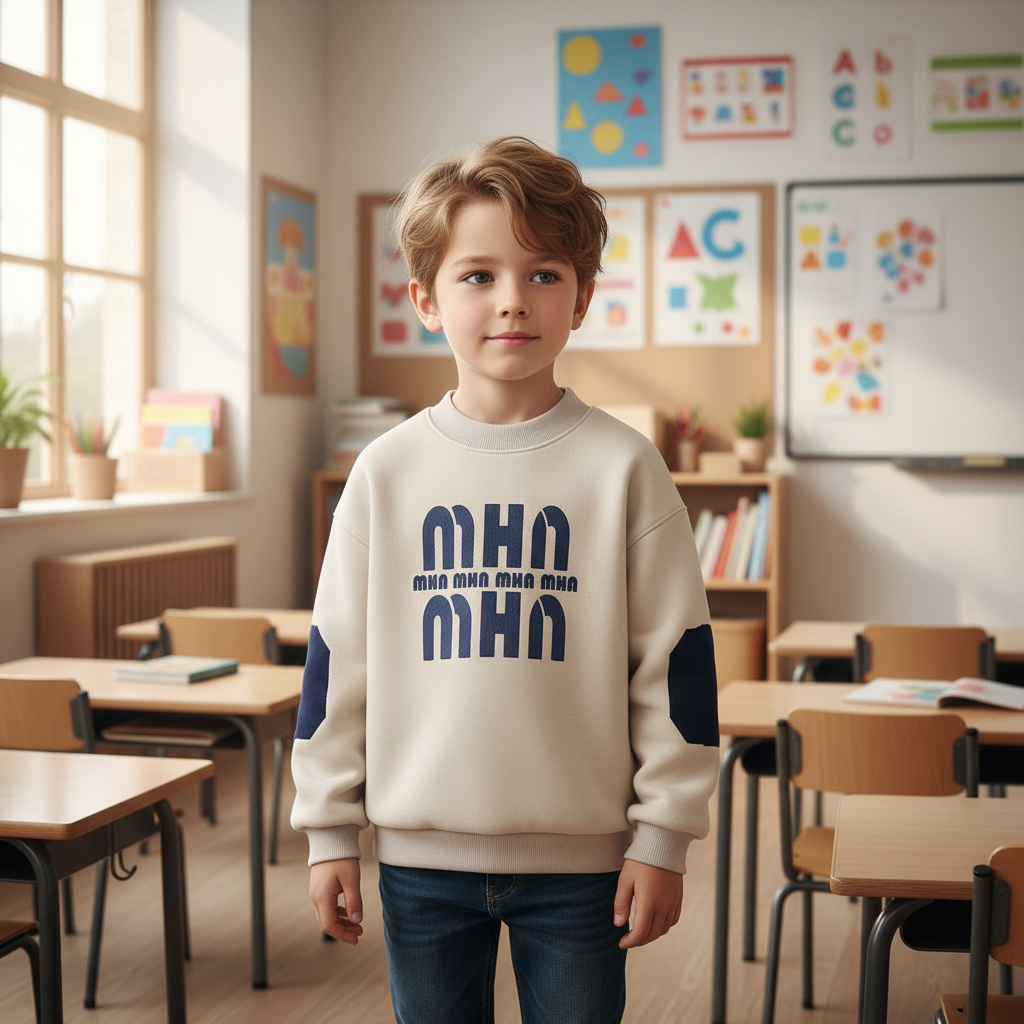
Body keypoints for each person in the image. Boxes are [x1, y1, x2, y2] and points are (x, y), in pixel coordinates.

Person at [290, 135, 720, 1024]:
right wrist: (329, 829)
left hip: (586, 872)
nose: (512, 302)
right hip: (421, 865)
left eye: (544, 274)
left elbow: (677, 669)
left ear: (584, 296)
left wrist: (664, 838)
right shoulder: (385, 472)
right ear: (424, 298)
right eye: (478, 275)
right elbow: (337, 668)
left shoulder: (625, 469)